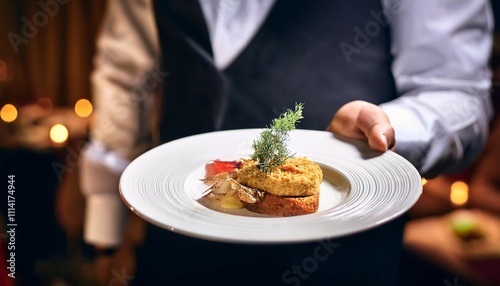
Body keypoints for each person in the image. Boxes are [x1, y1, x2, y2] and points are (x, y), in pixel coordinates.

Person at [80, 0, 494, 285]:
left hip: (339, 262)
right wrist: (105, 232)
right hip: (171, 247)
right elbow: (125, 71)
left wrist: (387, 130)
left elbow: (459, 94)